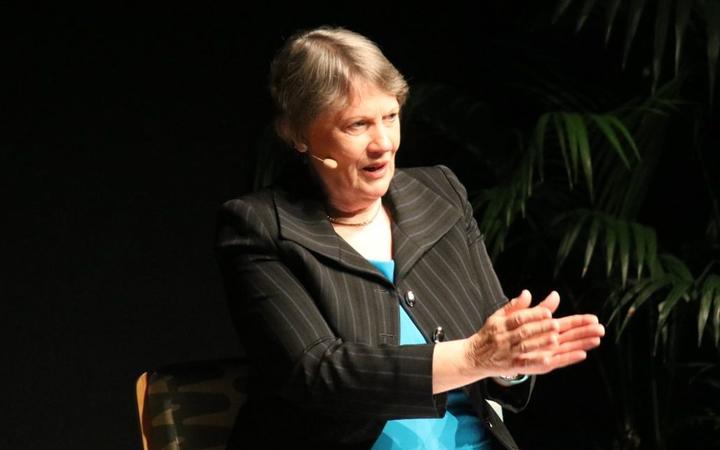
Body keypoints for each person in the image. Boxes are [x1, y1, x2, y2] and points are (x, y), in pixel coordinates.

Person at [215, 26, 605, 450]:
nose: (383, 143)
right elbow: (319, 374)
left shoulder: (440, 194)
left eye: (391, 116)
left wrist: (511, 360)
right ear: (299, 135)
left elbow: (493, 337)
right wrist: (475, 357)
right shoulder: (260, 227)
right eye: (358, 125)